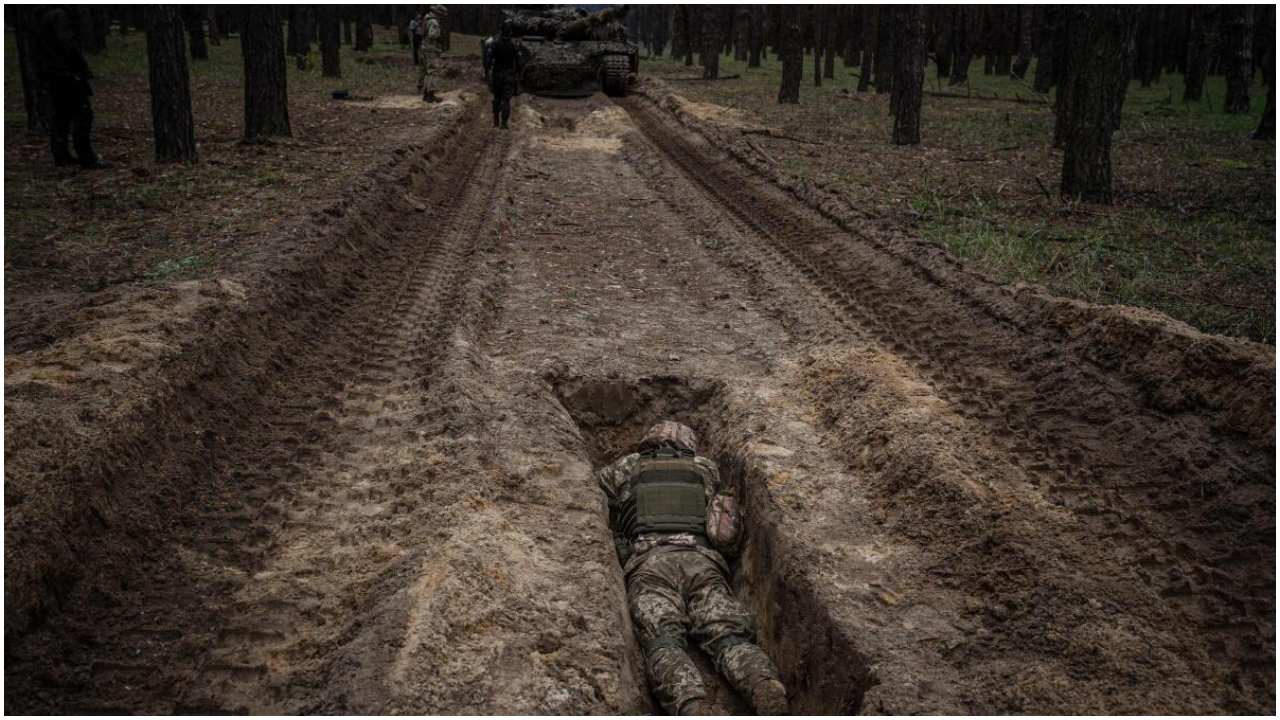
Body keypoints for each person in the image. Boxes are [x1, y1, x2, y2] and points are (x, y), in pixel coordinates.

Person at [595, 421, 789, 716]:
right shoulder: (706, 468)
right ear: (688, 443)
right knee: (728, 634)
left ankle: (693, 704)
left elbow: (591, 492)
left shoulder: (624, 467)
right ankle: (764, 688)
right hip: (702, 562)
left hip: (650, 564)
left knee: (663, 640)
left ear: (649, 440)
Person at [33, 5, 107, 168]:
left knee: (62, 115)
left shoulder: (44, 16)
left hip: (54, 73)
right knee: (83, 114)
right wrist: (81, 67)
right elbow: (67, 44)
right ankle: (87, 158)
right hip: (66, 74)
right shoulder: (59, 16)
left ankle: (62, 155)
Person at [488, 21, 523, 129]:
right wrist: (517, 74)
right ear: (510, 33)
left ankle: (496, 122)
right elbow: (519, 63)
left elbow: (488, 61)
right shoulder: (514, 46)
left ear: (501, 31)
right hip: (509, 75)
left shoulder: (494, 45)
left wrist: (489, 71)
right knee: (506, 100)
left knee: (497, 98)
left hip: (497, 74)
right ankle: (504, 124)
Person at [417, 6, 444, 102]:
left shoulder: (426, 19)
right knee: (433, 71)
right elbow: (433, 35)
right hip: (431, 49)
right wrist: (438, 35)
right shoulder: (434, 22)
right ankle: (430, 94)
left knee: (427, 71)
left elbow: (421, 32)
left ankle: (426, 93)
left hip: (425, 47)